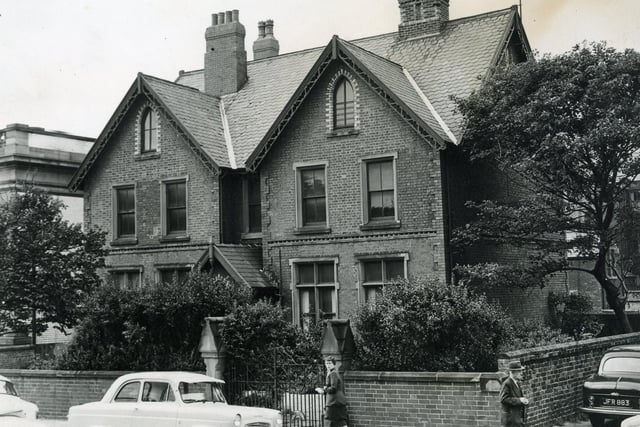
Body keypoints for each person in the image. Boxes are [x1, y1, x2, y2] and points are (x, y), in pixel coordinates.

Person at [316, 356, 349, 427]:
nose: (328, 365)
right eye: (326, 363)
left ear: (334, 364)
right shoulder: (332, 372)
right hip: (337, 401)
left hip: (334, 402)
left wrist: (323, 390)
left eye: (329, 363)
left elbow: (333, 388)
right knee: (340, 421)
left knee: (329, 420)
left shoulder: (333, 373)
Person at [499, 360, 530, 427]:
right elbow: (503, 399)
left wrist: (523, 401)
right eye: (519, 371)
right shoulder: (507, 383)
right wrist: (519, 400)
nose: (521, 373)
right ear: (512, 372)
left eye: (521, 371)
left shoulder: (517, 383)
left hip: (517, 420)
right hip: (510, 421)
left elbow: (518, 397)